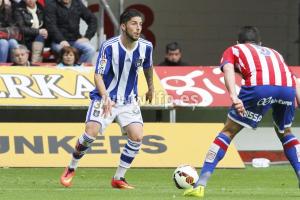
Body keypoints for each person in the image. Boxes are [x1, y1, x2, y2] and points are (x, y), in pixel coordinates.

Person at [184, 26, 300, 198]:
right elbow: (293, 78)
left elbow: (228, 70)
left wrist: (233, 96)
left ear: (238, 42)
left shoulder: (233, 49)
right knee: (285, 131)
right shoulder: (274, 52)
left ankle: (200, 184)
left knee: (228, 131)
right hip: (286, 89)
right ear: (260, 43)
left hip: (259, 87)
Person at [60, 9, 154, 189]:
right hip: (105, 98)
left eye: (140, 24)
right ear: (123, 26)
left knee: (137, 136)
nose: (138, 28)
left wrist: (151, 88)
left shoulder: (146, 47)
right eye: (134, 24)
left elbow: (148, 67)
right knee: (90, 133)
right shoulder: (109, 46)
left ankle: (119, 178)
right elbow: (98, 75)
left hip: (128, 101)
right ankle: (71, 168)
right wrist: (105, 98)